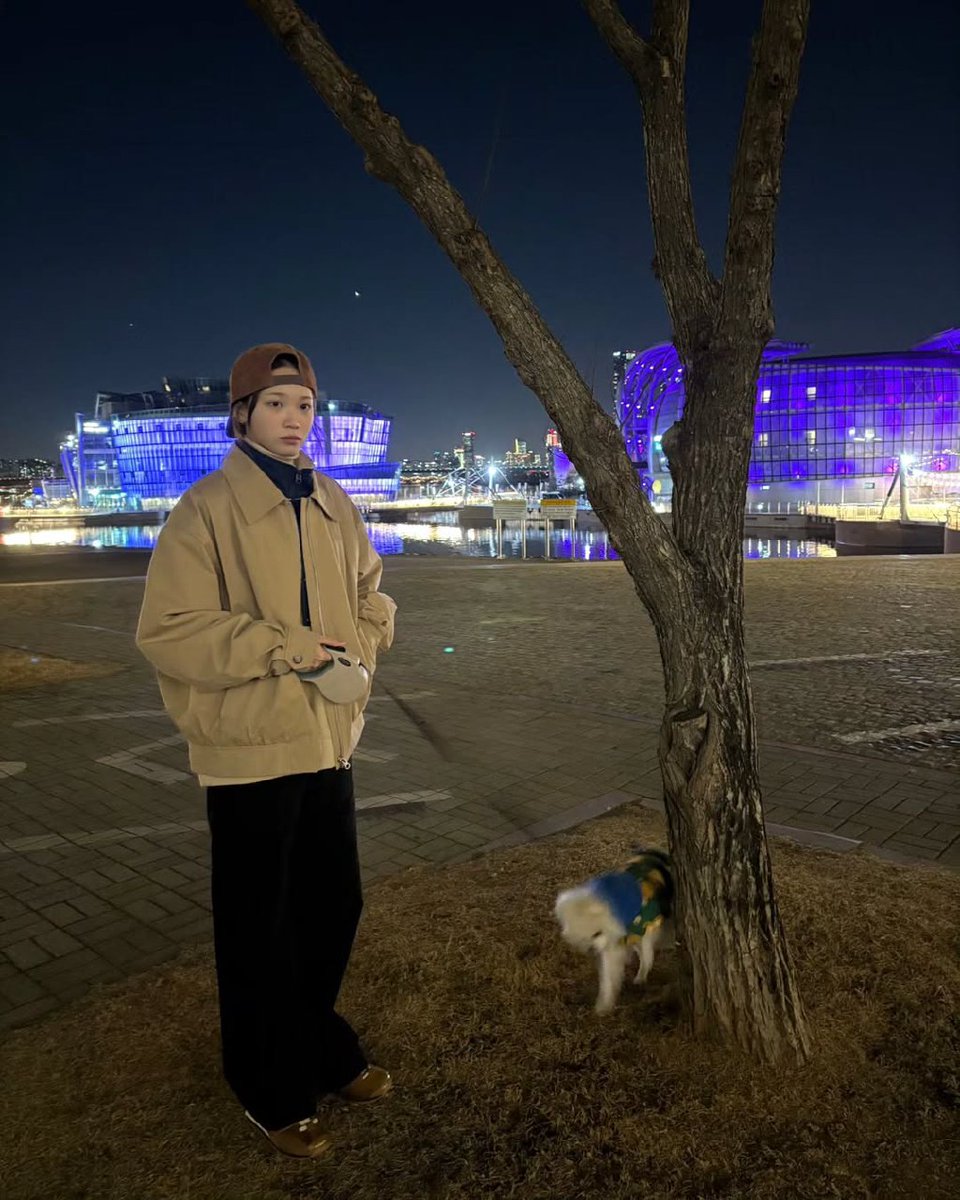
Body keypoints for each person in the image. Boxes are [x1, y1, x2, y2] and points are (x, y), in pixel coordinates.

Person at [136, 343, 397, 1159]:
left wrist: (364, 647)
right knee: (259, 928)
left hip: (329, 743)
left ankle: (317, 1044)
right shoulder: (205, 509)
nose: (295, 421)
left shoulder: (332, 501)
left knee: (334, 906)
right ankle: (265, 1084)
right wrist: (286, 647)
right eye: (278, 404)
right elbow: (168, 632)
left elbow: (370, 590)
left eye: (306, 406)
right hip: (250, 750)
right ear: (242, 414)